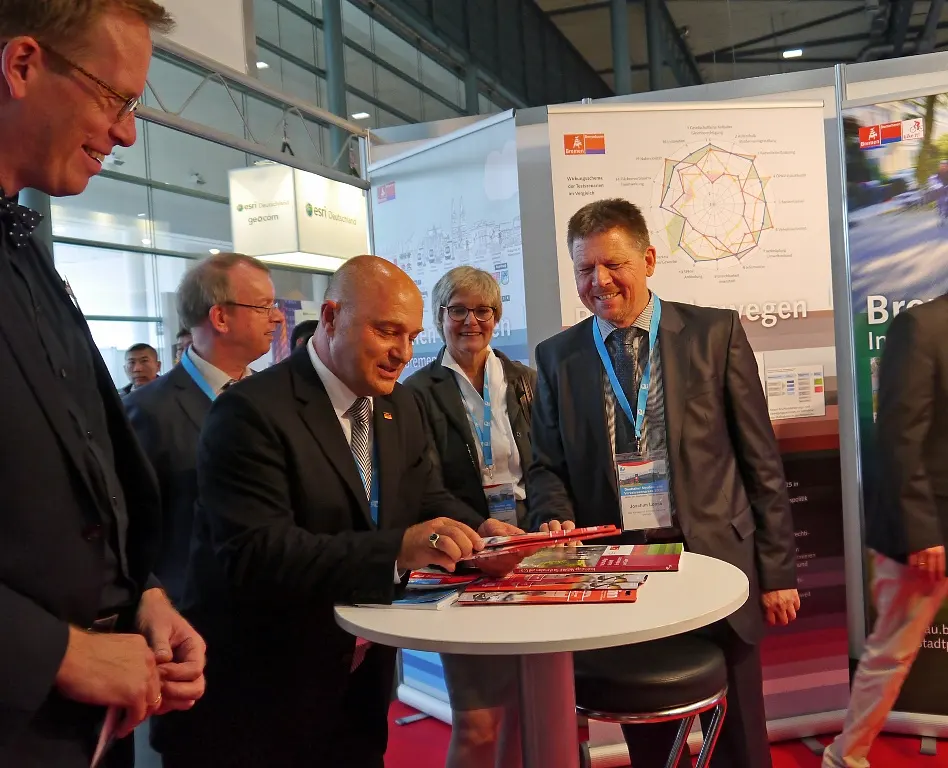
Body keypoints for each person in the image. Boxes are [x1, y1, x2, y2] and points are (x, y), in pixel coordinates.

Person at [155, 256, 520, 768]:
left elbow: (423, 495)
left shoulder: (398, 405)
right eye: (387, 331)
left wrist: (480, 535)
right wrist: (398, 547)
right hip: (261, 694)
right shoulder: (251, 412)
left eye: (412, 336)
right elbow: (258, 553)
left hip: (357, 682)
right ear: (330, 318)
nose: (402, 353)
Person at [0, 2, 206, 766]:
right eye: (115, 98)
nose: (126, 132)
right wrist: (55, 652)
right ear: (23, 65)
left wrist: (139, 595)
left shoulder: (29, 252)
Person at [528, 199, 799, 768]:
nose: (599, 281)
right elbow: (546, 465)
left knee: (740, 736)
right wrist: (552, 513)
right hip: (623, 565)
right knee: (645, 730)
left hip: (719, 562)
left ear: (648, 259)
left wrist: (777, 572)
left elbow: (760, 460)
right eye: (584, 269)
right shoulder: (557, 357)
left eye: (612, 264)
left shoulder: (713, 331)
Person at [405, 265, 534, 768]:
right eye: (457, 310)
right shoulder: (416, 392)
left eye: (482, 311)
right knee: (479, 723)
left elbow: (544, 463)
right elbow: (425, 487)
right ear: (440, 317)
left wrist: (543, 523)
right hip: (464, 557)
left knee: (529, 710)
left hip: (527, 552)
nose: (470, 321)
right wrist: (481, 530)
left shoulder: (525, 381)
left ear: (497, 317)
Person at [822, 297, 948, 768]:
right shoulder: (922, 326)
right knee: (892, 652)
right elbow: (898, 436)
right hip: (928, 527)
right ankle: (844, 757)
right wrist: (921, 532)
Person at [124, 253, 283, 604]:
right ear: (221, 317)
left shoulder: (279, 396)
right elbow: (129, 527)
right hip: (192, 616)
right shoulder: (146, 412)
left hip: (279, 609)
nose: (277, 316)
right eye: (264, 306)